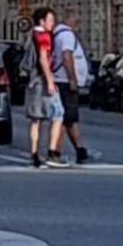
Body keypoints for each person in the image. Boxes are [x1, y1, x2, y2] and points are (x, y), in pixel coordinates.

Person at [24, 6, 68, 168]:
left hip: (33, 80)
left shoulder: (32, 35)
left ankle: (34, 155)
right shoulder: (43, 36)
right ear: (42, 21)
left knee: (36, 119)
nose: (53, 23)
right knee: (58, 114)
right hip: (43, 79)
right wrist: (50, 81)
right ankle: (52, 153)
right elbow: (43, 59)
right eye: (50, 20)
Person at [52, 9, 91, 164]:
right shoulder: (67, 35)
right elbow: (67, 57)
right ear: (69, 19)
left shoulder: (58, 34)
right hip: (65, 82)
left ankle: (80, 151)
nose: (78, 25)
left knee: (69, 118)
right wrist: (72, 79)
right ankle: (55, 151)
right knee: (65, 118)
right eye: (76, 21)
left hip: (60, 81)